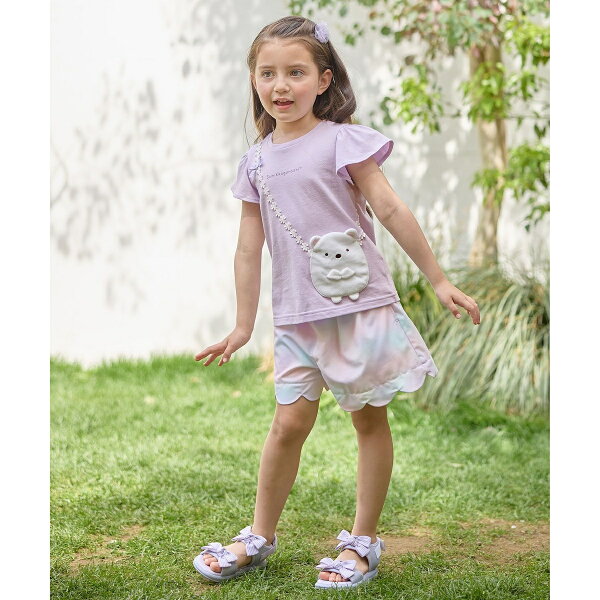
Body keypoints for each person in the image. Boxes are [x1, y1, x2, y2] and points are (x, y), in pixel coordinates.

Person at [192, 15, 480, 590]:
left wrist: (439, 279)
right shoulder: (255, 162)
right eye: (267, 73)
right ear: (253, 80)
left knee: (368, 421)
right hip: (297, 318)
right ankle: (259, 536)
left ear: (323, 80)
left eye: (296, 72)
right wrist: (244, 325)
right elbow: (249, 247)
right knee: (287, 425)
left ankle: (362, 541)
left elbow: (391, 209)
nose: (281, 85)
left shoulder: (343, 141)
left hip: (358, 309)